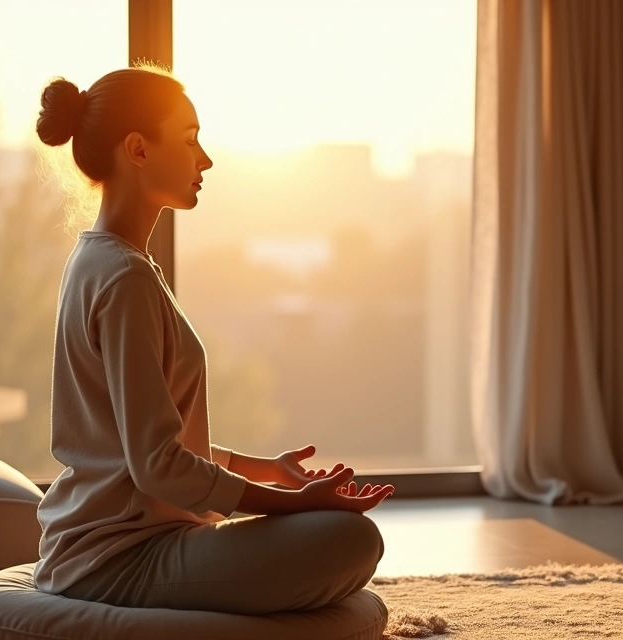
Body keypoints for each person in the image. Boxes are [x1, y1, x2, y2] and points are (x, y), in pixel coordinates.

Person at [30, 65, 394, 616]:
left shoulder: (100, 259)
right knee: (353, 540)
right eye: (189, 140)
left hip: (121, 543)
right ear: (138, 149)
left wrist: (268, 470)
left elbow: (147, 445)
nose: (205, 160)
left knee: (341, 537)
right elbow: (157, 466)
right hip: (119, 558)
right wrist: (290, 504)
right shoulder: (124, 277)